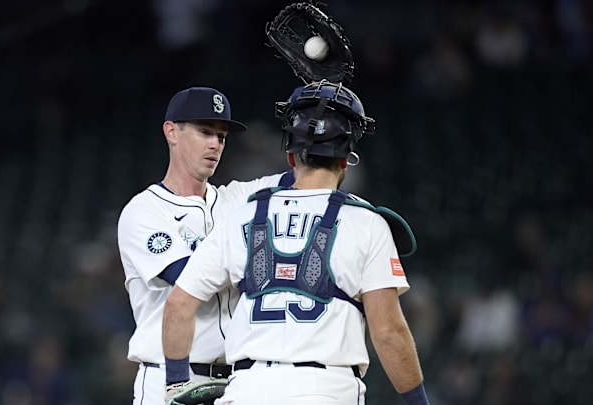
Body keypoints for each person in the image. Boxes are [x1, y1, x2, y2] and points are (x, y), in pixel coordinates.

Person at [162, 80, 430, 404]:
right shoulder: (367, 223)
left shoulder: (240, 218)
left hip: (246, 390)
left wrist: (176, 383)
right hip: (326, 389)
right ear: (346, 159)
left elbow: (177, 305)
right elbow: (388, 333)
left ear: (290, 157)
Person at [117, 86, 293, 404]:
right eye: (204, 132)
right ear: (171, 131)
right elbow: (191, 278)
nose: (215, 144)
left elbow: (310, 177)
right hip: (170, 381)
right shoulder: (145, 211)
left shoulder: (235, 198)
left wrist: (322, 120)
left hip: (238, 384)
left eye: (222, 136)